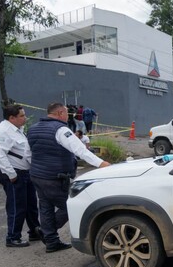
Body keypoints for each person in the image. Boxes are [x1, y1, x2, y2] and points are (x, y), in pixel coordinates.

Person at [28, 102, 111, 253]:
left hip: (37, 175)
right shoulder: (60, 129)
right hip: (54, 177)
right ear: (60, 113)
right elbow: (80, 150)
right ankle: (47, 231)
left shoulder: (33, 129)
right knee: (71, 204)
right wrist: (101, 163)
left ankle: (51, 241)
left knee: (45, 206)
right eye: (67, 113)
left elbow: (29, 153)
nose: (69, 116)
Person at [0, 104, 42, 247]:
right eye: (22, 116)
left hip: (25, 172)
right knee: (17, 206)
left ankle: (35, 231)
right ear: (11, 118)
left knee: (31, 204)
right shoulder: (3, 131)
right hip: (15, 173)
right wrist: (11, 174)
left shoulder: (18, 130)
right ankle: (13, 237)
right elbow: (0, 155)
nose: (25, 118)